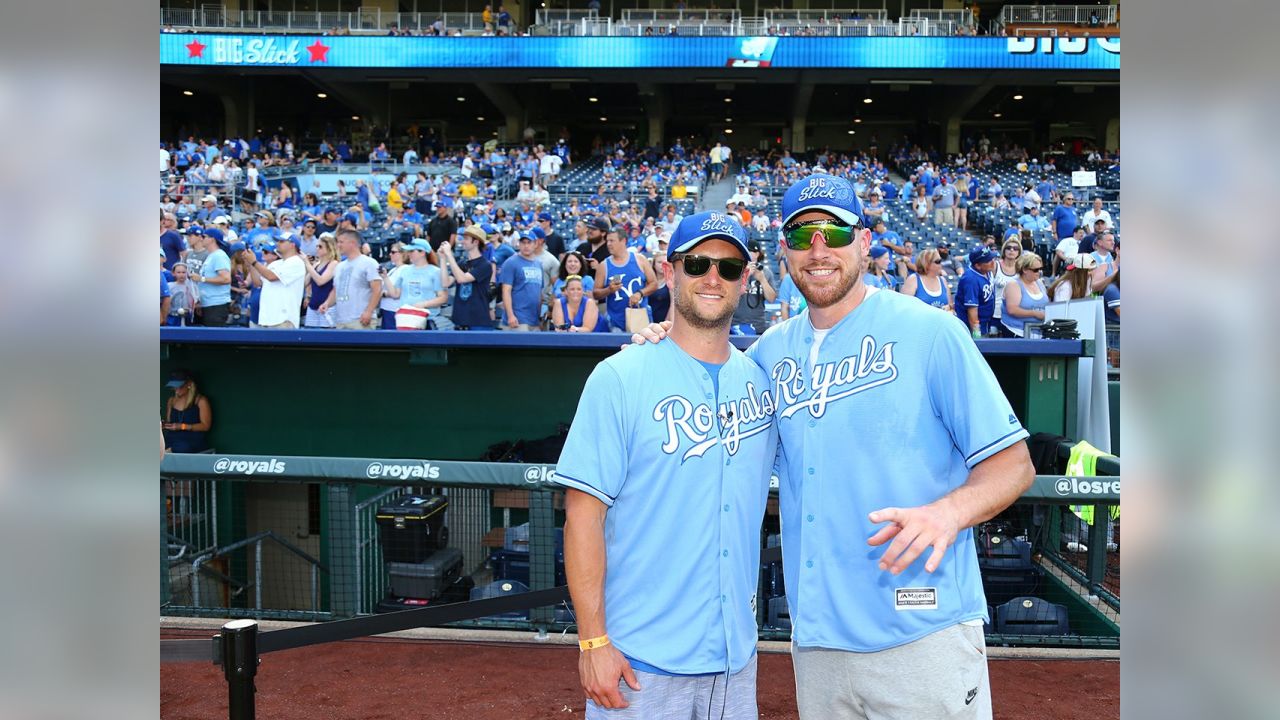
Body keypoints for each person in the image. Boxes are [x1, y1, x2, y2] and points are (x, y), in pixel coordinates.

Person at [632, 175, 1035, 719]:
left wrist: (949, 512)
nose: (818, 250)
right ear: (785, 252)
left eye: (834, 231)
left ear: (864, 241)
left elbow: (1014, 465)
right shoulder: (770, 357)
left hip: (921, 627)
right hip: (818, 644)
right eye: (802, 236)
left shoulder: (930, 333)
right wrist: (664, 340)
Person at [555, 211, 776, 719]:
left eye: (728, 266)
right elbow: (583, 517)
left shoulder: (761, 382)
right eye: (698, 264)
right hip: (640, 663)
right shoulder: (620, 377)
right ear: (670, 271)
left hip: (734, 661)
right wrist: (592, 643)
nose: (712, 278)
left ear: (746, 278)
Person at [593, 229, 658, 332]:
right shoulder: (604, 265)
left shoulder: (640, 260)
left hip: (640, 318)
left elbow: (654, 284)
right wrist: (609, 290)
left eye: (612, 241)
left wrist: (640, 293)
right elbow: (595, 293)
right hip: (616, 322)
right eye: (607, 241)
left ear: (623, 241)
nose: (608, 244)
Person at [245, 231, 307, 329]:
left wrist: (254, 261)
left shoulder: (296, 262)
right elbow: (258, 283)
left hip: (284, 319)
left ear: (292, 245)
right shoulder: (275, 264)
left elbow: (271, 277)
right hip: (268, 319)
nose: (278, 243)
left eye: (282, 241)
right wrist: (251, 264)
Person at [322, 228, 382, 329]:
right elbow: (336, 290)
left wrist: (369, 311)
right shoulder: (340, 266)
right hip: (341, 321)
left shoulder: (369, 263)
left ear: (352, 243)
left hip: (361, 319)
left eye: (341, 242)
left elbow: (377, 289)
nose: (338, 245)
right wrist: (327, 303)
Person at [440, 225, 494, 330]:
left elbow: (462, 279)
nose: (462, 241)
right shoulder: (462, 263)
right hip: (460, 320)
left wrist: (449, 255)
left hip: (478, 321)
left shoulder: (485, 265)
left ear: (476, 242)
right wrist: (442, 258)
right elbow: (446, 283)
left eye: (466, 239)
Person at [499, 231, 548, 331]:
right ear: (519, 244)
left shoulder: (538, 264)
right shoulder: (511, 262)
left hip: (534, 320)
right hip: (517, 320)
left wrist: (539, 318)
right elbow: (506, 291)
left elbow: (539, 293)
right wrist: (511, 316)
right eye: (523, 242)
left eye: (529, 242)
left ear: (535, 244)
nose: (526, 246)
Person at [730, 240, 778, 335]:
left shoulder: (766, 273)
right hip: (735, 325)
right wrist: (746, 276)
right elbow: (730, 295)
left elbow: (772, 299)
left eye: (751, 251)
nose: (748, 253)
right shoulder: (735, 270)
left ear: (757, 254)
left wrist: (762, 280)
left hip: (758, 325)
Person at [162, 369, 212, 454]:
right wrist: (164, 425)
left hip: (192, 439)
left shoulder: (200, 400)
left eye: (180, 387)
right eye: (174, 387)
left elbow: (206, 426)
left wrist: (183, 426)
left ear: (189, 384)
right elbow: (169, 422)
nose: (176, 390)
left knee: (181, 448)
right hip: (172, 438)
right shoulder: (171, 401)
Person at [998, 254, 1048, 338]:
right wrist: (1034, 313)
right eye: (1036, 270)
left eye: (1040, 269)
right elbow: (1012, 310)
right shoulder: (1014, 285)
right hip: (1017, 332)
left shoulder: (1039, 283)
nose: (1039, 272)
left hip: (1038, 333)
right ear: (1024, 269)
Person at [191, 228, 233, 326]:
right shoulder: (211, 256)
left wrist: (201, 278)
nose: (201, 239)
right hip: (209, 303)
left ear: (212, 239)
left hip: (216, 304)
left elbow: (226, 279)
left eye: (204, 237)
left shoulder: (219, 256)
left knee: (215, 338)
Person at [955, 246, 998, 338]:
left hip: (985, 323)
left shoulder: (987, 271)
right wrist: (976, 336)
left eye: (992, 258)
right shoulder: (970, 279)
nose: (993, 262)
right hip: (971, 327)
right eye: (988, 261)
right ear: (978, 265)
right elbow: (972, 311)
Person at [303, 233, 339, 328]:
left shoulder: (334, 263)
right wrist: (307, 266)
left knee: (326, 337)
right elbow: (305, 283)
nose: (317, 249)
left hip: (327, 307)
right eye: (317, 246)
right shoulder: (316, 264)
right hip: (313, 306)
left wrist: (307, 264)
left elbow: (321, 281)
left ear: (329, 248)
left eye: (320, 246)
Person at [376, 242, 411, 329]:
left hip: (395, 310)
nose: (390, 254)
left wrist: (383, 294)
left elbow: (397, 294)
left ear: (402, 254)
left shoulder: (405, 269)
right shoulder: (394, 269)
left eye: (393, 252)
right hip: (387, 309)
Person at [991, 239, 1022, 328]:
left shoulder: (1021, 269)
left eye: (1015, 248)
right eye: (1008, 248)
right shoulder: (995, 265)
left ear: (1019, 252)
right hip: (995, 313)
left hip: (1013, 314)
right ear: (1004, 250)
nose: (1011, 250)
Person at [166, 262, 200, 326]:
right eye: (178, 272)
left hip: (188, 318)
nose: (181, 275)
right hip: (173, 318)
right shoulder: (169, 286)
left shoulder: (192, 286)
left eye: (184, 272)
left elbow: (196, 301)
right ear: (173, 273)